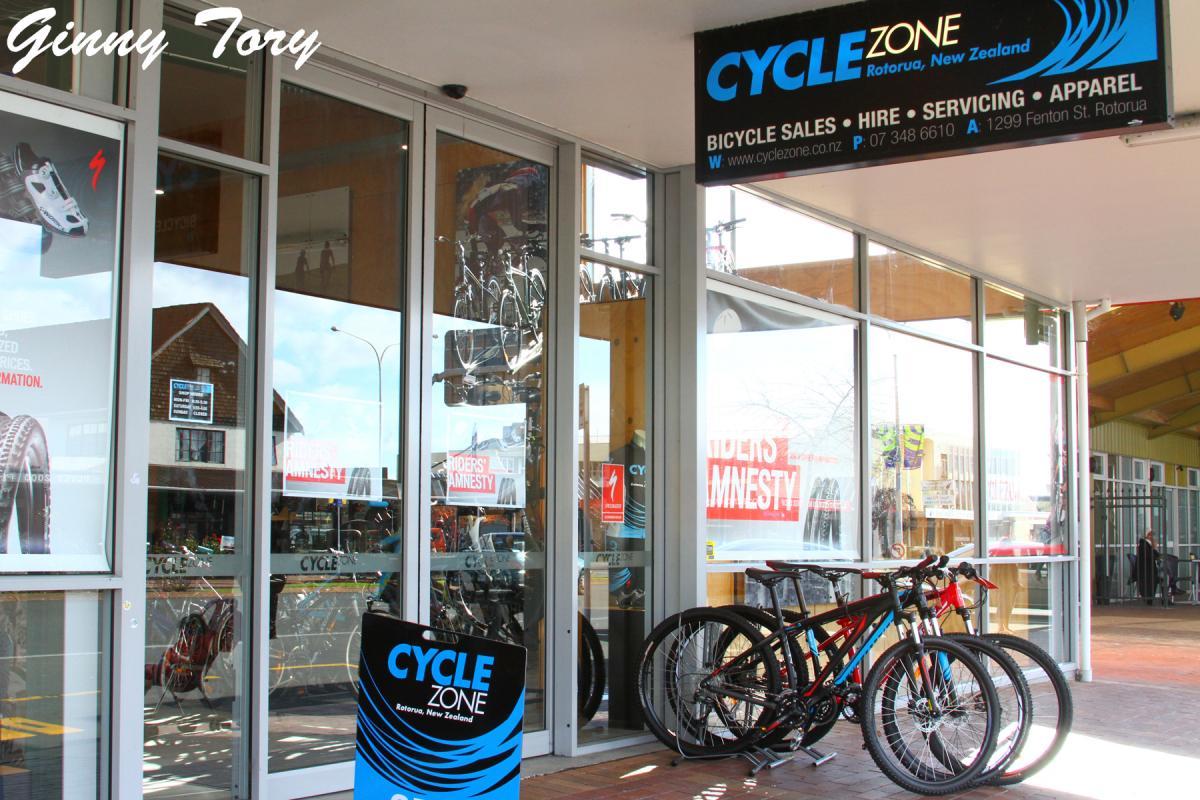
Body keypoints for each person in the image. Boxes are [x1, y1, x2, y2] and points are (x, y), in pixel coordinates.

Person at [1135, 530, 1160, 605]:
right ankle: (1150, 599)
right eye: (1151, 535)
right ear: (1147, 536)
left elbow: (1156, 555)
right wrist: (1154, 548)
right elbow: (1152, 556)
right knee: (1158, 579)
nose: (1153, 537)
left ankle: (1151, 598)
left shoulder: (1146, 545)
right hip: (1146, 571)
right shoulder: (1144, 545)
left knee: (1160, 579)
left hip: (1148, 570)